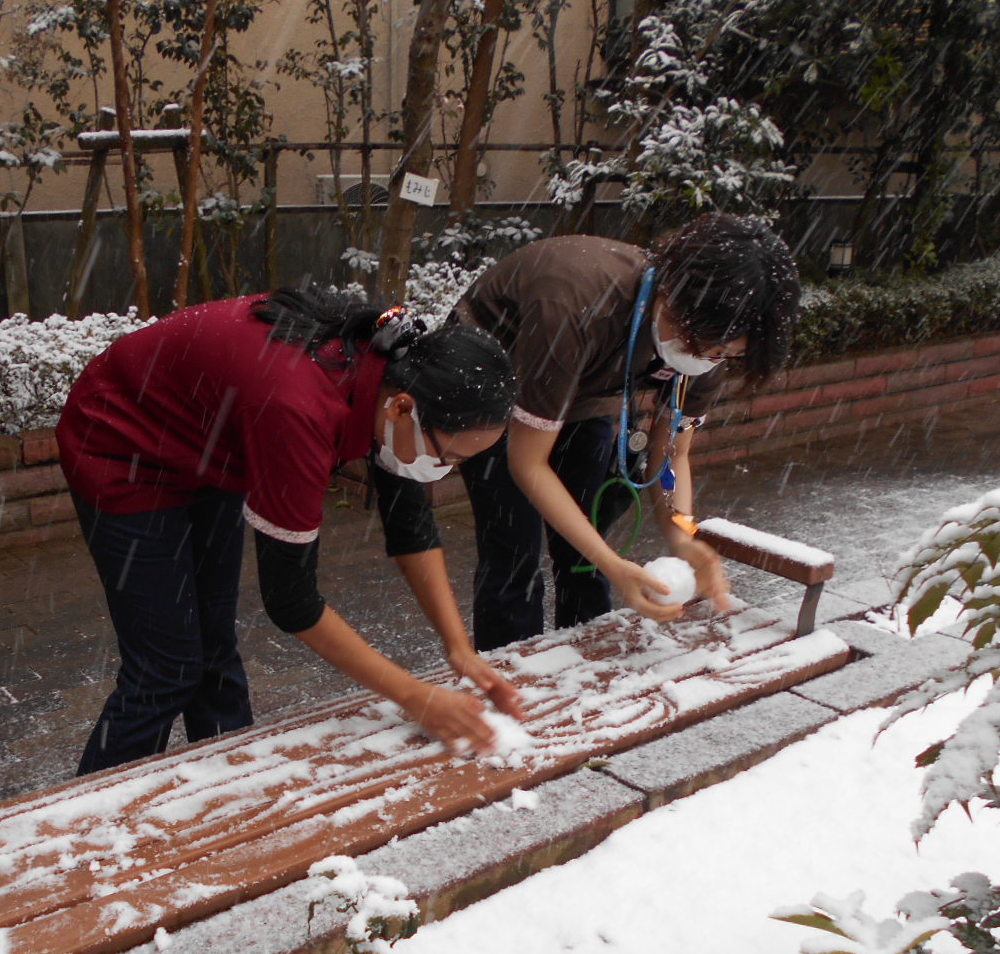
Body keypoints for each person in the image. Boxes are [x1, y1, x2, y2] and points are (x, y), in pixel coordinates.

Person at [56, 287, 524, 776]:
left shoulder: (396, 378)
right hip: (121, 443)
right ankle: (91, 812)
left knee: (214, 652)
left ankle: (232, 783)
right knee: (165, 669)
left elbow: (410, 527)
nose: (447, 470)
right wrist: (414, 696)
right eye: (450, 455)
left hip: (207, 440)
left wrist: (459, 649)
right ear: (403, 409)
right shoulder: (300, 408)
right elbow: (290, 599)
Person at [452, 212, 801, 649]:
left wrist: (683, 537)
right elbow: (528, 463)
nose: (704, 356)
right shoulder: (576, 302)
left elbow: (673, 454)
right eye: (695, 341)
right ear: (669, 293)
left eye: (724, 352)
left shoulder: (709, 346)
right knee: (513, 552)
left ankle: (585, 658)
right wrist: (613, 564)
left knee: (586, 546)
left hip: (586, 388)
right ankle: (511, 671)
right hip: (493, 381)